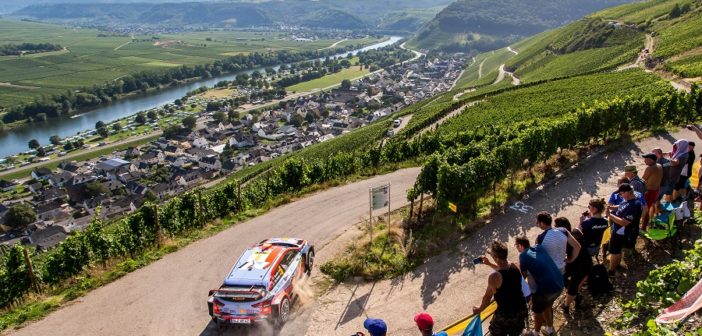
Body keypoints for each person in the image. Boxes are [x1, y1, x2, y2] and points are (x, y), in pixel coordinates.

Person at [472, 241, 528, 336]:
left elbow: (486, 298)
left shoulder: (494, 277)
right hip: (520, 308)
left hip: (506, 314)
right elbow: (504, 268)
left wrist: (479, 309)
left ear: (496, 257)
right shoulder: (515, 265)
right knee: (515, 333)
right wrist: (490, 263)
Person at [517, 236, 563, 336]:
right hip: (559, 284)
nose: (516, 248)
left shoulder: (523, 255)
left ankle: (536, 333)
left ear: (520, 246)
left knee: (537, 310)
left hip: (547, 289)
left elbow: (523, 276)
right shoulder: (539, 247)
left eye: (516, 245)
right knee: (546, 306)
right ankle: (549, 329)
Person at [554, 217, 592, 314]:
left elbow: (571, 251)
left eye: (555, 226)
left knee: (573, 286)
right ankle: (575, 295)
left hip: (582, 266)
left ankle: (566, 306)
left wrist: (569, 259)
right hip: (578, 262)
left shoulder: (565, 239)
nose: (554, 228)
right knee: (563, 277)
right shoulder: (575, 231)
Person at [607, 183, 643, 276]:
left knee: (615, 252)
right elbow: (621, 206)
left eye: (621, 193)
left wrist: (610, 215)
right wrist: (611, 207)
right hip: (618, 230)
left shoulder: (634, 206)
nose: (620, 195)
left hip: (621, 232)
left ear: (628, 192)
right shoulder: (628, 200)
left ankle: (611, 271)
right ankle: (617, 265)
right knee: (617, 251)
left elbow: (624, 222)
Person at [641, 153, 663, 230]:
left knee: (645, 209)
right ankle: (651, 219)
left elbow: (643, 179)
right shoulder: (659, 165)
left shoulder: (649, 168)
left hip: (649, 191)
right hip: (656, 190)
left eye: (646, 159)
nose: (644, 161)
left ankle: (643, 227)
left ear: (651, 160)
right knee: (651, 205)